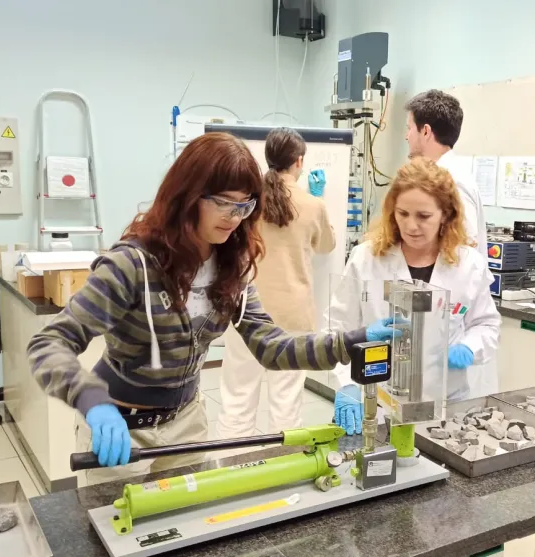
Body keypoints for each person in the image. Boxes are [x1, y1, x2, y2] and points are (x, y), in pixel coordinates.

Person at [26, 132, 395, 484]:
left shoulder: (231, 267)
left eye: (244, 205)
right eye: (221, 202)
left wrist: (351, 342)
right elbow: (49, 344)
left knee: (189, 525)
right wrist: (92, 401)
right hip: (121, 428)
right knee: (117, 533)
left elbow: (273, 347)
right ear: (187, 196)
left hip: (187, 423)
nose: (234, 217)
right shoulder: (132, 266)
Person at [327, 157, 501, 434]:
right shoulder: (366, 259)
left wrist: (469, 347)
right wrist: (346, 383)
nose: (411, 226)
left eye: (423, 216)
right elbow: (339, 327)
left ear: (445, 214)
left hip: (447, 402)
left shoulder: (468, 265)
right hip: (379, 398)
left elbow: (486, 324)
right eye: (402, 213)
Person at [216, 128, 335, 439]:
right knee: (286, 403)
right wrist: (318, 199)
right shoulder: (312, 205)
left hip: (247, 313)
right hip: (293, 316)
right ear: (299, 161)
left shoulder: (247, 203)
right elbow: (327, 246)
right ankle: (281, 469)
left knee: (237, 398)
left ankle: (233, 468)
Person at [404, 89, 487, 256]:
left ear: (425, 131)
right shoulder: (441, 174)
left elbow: (465, 246)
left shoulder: (454, 181)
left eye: (409, 128)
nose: (407, 136)